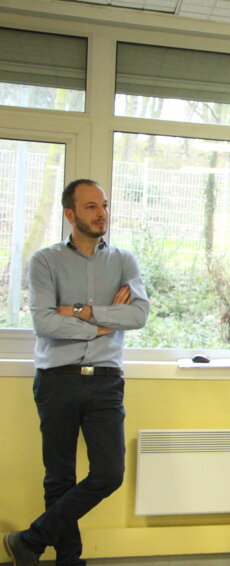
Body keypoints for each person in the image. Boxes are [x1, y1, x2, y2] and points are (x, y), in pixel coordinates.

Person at [4, 179, 149, 566]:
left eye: (104, 205)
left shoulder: (124, 261)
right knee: (59, 479)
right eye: (90, 207)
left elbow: (138, 314)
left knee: (109, 473)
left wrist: (83, 311)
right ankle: (69, 560)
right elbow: (45, 323)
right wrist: (105, 322)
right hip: (57, 379)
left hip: (105, 380)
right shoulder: (45, 261)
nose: (102, 213)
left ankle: (30, 540)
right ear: (70, 214)